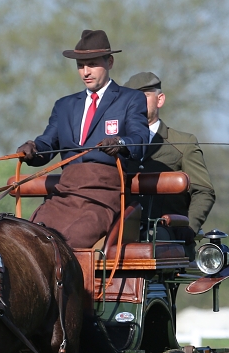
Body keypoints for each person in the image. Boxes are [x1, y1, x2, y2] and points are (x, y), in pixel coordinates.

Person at [16, 29, 150, 248]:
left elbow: (140, 139)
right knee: (31, 242)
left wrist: (119, 143)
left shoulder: (130, 99)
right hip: (64, 194)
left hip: (103, 197)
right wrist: (32, 148)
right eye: (80, 65)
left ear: (110, 62)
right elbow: (47, 144)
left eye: (92, 64)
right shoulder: (65, 105)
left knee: (69, 242)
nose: (86, 71)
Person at [122, 71, 215, 249]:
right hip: (123, 246)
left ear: (160, 99)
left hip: (171, 245)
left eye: (144, 96)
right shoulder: (117, 144)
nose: (136, 102)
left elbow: (203, 192)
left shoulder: (183, 144)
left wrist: (189, 227)